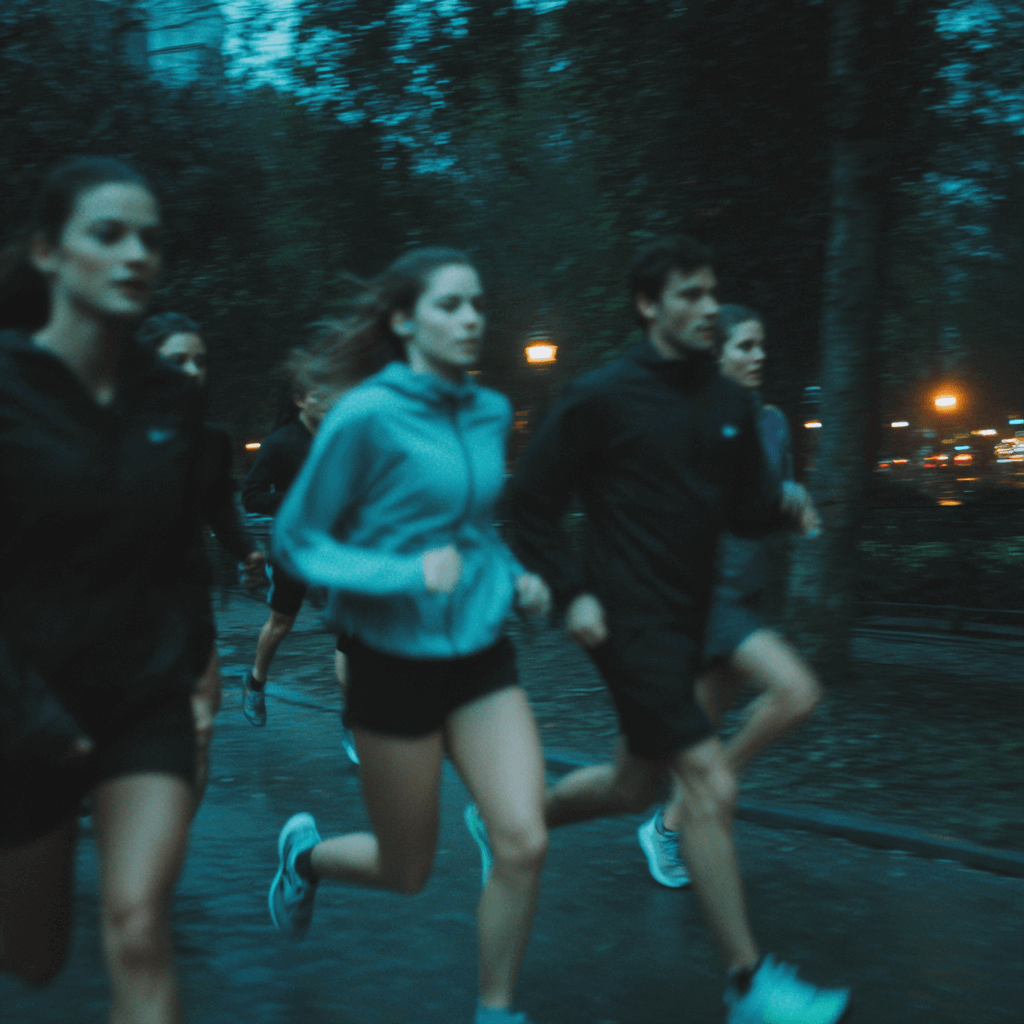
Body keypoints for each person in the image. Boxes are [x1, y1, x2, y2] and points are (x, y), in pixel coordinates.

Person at [503, 237, 850, 1023]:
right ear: (649, 305)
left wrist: (782, 510)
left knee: (633, 786)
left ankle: (516, 822)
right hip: (627, 623)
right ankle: (749, 985)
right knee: (707, 781)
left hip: (696, 617)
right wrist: (572, 593)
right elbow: (529, 503)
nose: (703, 309)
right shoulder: (599, 399)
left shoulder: (729, 407)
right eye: (688, 296)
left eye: (709, 293)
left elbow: (738, 509)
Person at [269, 247, 551, 1024]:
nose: (471, 320)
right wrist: (401, 575)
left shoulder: (489, 412)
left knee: (523, 840)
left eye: (478, 305)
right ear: (402, 320)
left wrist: (512, 574)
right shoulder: (364, 414)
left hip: (481, 655)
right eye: (450, 305)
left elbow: (472, 529)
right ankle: (306, 857)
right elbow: (298, 541)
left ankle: (496, 1011)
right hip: (390, 660)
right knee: (408, 869)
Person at [0, 157, 206, 1024]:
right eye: (109, 235)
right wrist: (30, 715)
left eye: (151, 241)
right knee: (34, 960)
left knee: (136, 923)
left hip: (140, 700)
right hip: (22, 708)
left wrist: (192, 667)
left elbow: (179, 554)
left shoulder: (172, 398)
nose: (136, 256)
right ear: (49, 252)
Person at [638, 304, 823, 889]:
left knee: (677, 753)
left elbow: (767, 505)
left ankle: (665, 830)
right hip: (702, 599)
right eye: (745, 346)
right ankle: (519, 824)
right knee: (798, 694)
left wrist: (793, 503)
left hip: (746, 595)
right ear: (714, 355)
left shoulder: (772, 423)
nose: (758, 356)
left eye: (761, 345)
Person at [137, 311, 267, 800]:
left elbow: (220, 511)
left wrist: (248, 552)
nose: (192, 371)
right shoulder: (109, 433)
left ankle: (164, 849)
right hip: (116, 613)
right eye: (176, 361)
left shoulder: (212, 442)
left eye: (200, 361)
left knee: (198, 732)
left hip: (189, 604)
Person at [239, 349, 343, 730]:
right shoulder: (281, 442)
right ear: (300, 399)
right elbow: (251, 495)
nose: (329, 400)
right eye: (319, 395)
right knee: (282, 623)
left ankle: (354, 721)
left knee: (349, 627)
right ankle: (255, 682)